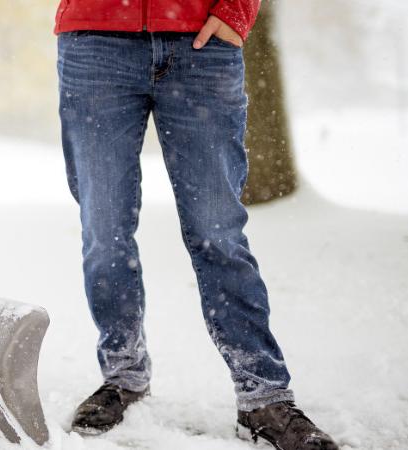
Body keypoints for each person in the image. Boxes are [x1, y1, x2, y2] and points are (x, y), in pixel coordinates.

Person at [54, 1, 338, 448]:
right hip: (96, 45)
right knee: (103, 231)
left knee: (217, 233)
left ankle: (262, 395)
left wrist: (237, 10)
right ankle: (123, 375)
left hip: (201, 45)